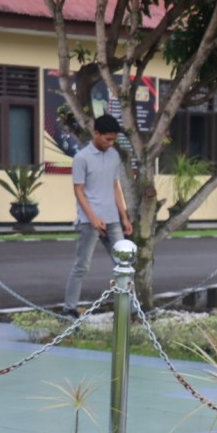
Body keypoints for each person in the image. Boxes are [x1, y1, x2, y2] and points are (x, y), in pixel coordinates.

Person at [62, 114, 133, 317]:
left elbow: (115, 187)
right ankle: (69, 308)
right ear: (96, 133)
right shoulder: (81, 158)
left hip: (112, 219)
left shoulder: (114, 156)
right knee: (82, 266)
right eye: (107, 139)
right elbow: (78, 190)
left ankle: (132, 309)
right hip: (89, 221)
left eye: (113, 140)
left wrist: (124, 217)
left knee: (124, 264)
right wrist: (92, 218)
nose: (110, 143)